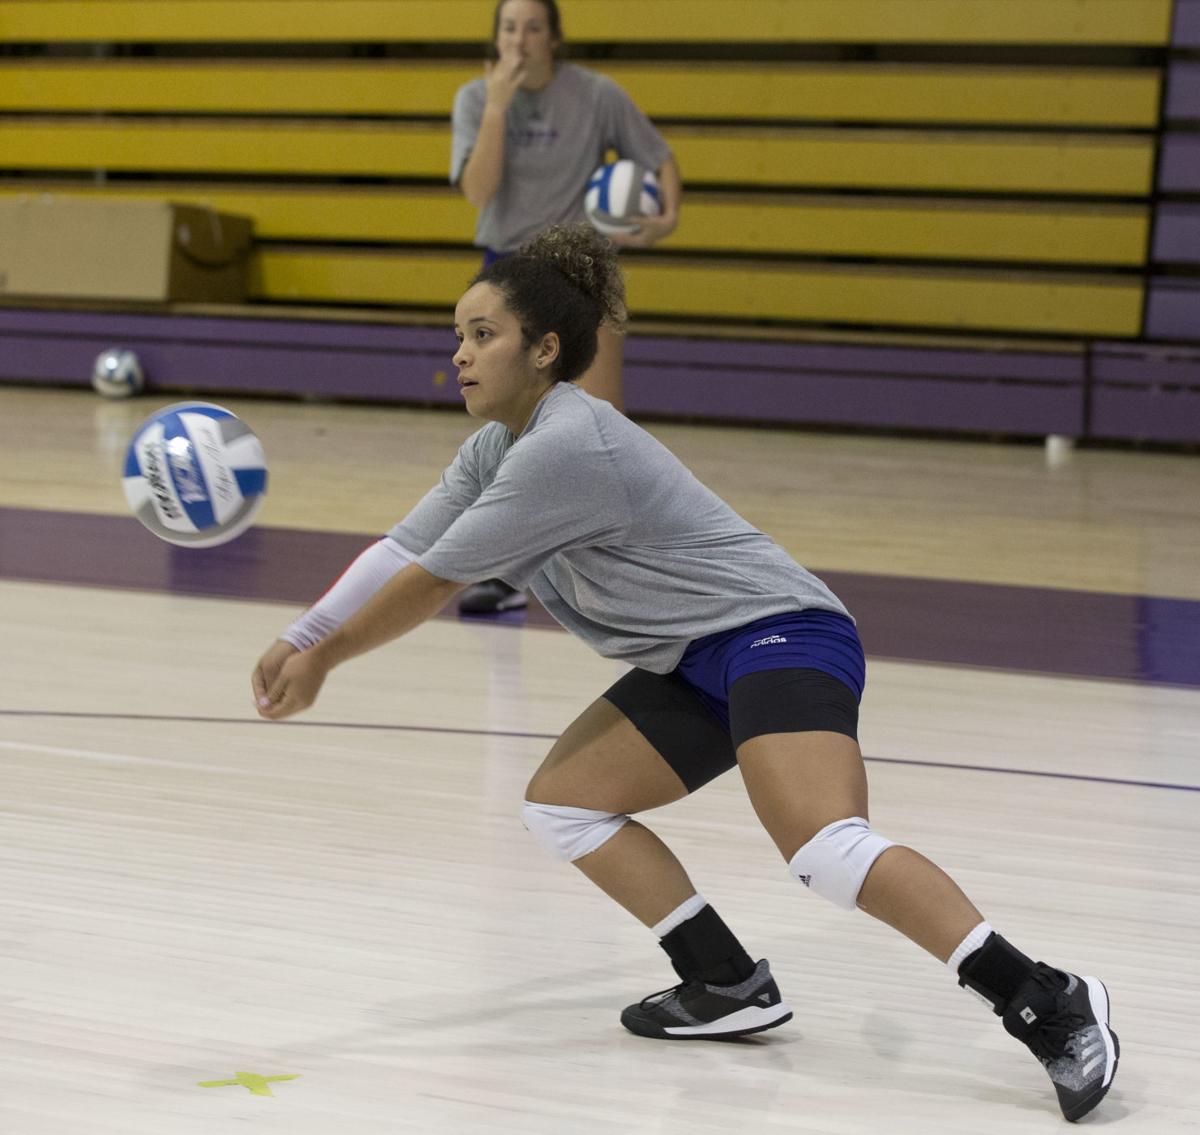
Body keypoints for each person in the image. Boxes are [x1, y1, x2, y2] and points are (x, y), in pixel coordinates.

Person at [252, 223, 1118, 1124]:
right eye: (456, 336)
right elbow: (405, 543)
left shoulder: (566, 445)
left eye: (482, 335)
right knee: (565, 802)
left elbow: (433, 580)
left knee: (825, 849)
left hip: (779, 633)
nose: (460, 355)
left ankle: (1049, 1000)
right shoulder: (495, 448)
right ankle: (724, 980)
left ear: (545, 350)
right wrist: (303, 630)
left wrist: (324, 658)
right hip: (695, 657)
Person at [450, 0, 682, 614]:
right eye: (508, 28)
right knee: (510, 427)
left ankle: (632, 566)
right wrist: (499, 104)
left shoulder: (598, 95)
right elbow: (478, 190)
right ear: (495, 38)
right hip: (507, 272)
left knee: (603, 423)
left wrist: (665, 217)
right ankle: (508, 571)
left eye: (532, 27)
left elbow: (658, 156)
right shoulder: (476, 98)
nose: (520, 39)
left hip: (581, 267)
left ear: (553, 36)